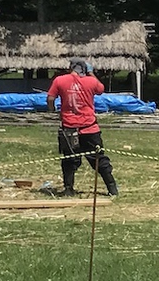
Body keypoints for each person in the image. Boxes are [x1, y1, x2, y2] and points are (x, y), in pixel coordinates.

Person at [47, 58, 117, 197]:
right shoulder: (91, 81)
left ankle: (68, 188)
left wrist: (53, 111)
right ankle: (112, 187)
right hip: (89, 127)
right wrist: (91, 73)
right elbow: (100, 89)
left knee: (69, 159)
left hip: (69, 127)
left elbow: (50, 98)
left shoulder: (60, 80)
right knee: (98, 158)